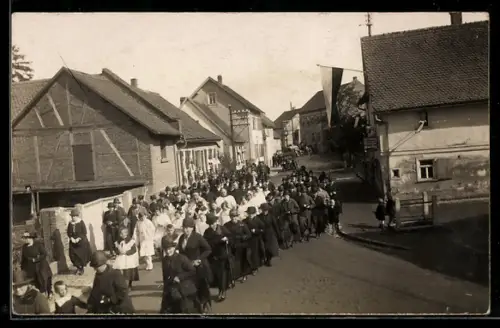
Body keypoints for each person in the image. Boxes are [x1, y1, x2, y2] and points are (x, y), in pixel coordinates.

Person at [177, 218, 213, 313]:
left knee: (201, 287)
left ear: (192, 228)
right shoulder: (181, 238)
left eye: (188, 227)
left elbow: (208, 249)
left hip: (198, 267)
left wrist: (199, 259)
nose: (186, 230)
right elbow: (181, 252)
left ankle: (204, 305)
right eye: (184, 227)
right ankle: (193, 306)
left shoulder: (198, 237)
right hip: (186, 267)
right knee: (189, 287)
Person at [159, 237, 198, 314]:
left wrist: (180, 277)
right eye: (165, 249)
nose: (167, 251)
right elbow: (165, 276)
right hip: (170, 289)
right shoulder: (164, 260)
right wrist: (165, 289)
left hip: (183, 289)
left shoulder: (182, 258)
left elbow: (192, 270)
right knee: (165, 311)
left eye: (169, 249)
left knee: (183, 311)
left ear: (174, 248)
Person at [203, 214, 233, 302]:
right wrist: (219, 241)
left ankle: (222, 291)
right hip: (213, 256)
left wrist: (227, 239)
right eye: (210, 223)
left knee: (222, 275)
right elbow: (206, 243)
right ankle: (220, 289)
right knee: (215, 275)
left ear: (216, 222)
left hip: (223, 255)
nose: (212, 225)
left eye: (213, 223)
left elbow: (230, 237)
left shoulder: (222, 229)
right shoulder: (207, 231)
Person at [20, 231, 53, 298]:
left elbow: (44, 254)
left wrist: (36, 259)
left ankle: (49, 292)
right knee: (35, 282)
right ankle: (40, 296)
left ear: (31, 238)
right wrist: (22, 268)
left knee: (45, 279)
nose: (24, 239)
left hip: (41, 265)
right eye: (24, 238)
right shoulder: (24, 247)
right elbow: (23, 259)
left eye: (26, 238)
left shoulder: (38, 245)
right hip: (30, 267)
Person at [223, 209, 252, 282]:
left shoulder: (242, 225)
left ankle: (244, 274)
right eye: (232, 217)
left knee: (243, 260)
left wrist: (243, 237)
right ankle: (233, 276)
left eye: (235, 217)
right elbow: (224, 234)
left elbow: (249, 234)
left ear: (238, 217)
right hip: (232, 245)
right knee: (233, 262)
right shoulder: (226, 225)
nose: (234, 218)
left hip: (241, 245)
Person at [67, 209, 92, 275]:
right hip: (73, 242)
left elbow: (84, 232)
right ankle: (78, 267)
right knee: (72, 255)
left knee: (80, 256)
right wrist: (71, 238)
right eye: (72, 216)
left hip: (81, 241)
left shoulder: (81, 222)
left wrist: (79, 238)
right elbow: (68, 232)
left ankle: (81, 268)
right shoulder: (70, 223)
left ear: (77, 216)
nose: (73, 217)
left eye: (75, 216)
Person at [242, 206, 264, 275]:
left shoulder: (258, 220)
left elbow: (262, 229)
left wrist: (256, 231)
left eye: (251, 214)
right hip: (248, 239)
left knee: (254, 254)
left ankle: (255, 268)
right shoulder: (245, 221)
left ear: (254, 214)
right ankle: (249, 267)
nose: (250, 215)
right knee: (248, 254)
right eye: (249, 214)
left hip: (255, 239)